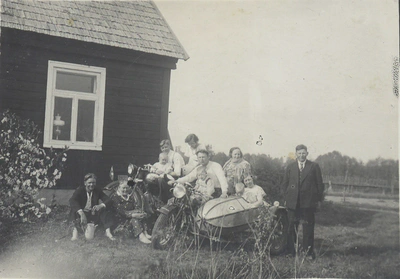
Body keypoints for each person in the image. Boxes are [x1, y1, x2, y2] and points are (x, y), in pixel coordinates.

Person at [281, 144, 324, 260]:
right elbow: (285, 184)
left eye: (303, 153)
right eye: (299, 153)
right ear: (296, 154)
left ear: (307, 154)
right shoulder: (290, 167)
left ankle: (308, 253)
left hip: (308, 204)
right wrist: (286, 199)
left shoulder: (314, 166)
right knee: (291, 228)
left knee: (308, 229)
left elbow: (320, 185)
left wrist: (318, 201)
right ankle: (290, 252)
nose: (301, 155)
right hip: (292, 204)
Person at [69, 173, 115, 241]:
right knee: (74, 210)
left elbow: (108, 200)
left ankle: (108, 232)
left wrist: (100, 205)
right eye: (89, 183)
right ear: (85, 183)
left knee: (105, 209)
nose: (91, 185)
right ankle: (75, 234)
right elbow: (72, 200)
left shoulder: (97, 190)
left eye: (93, 183)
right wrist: (81, 213)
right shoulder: (80, 190)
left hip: (92, 214)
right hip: (81, 214)